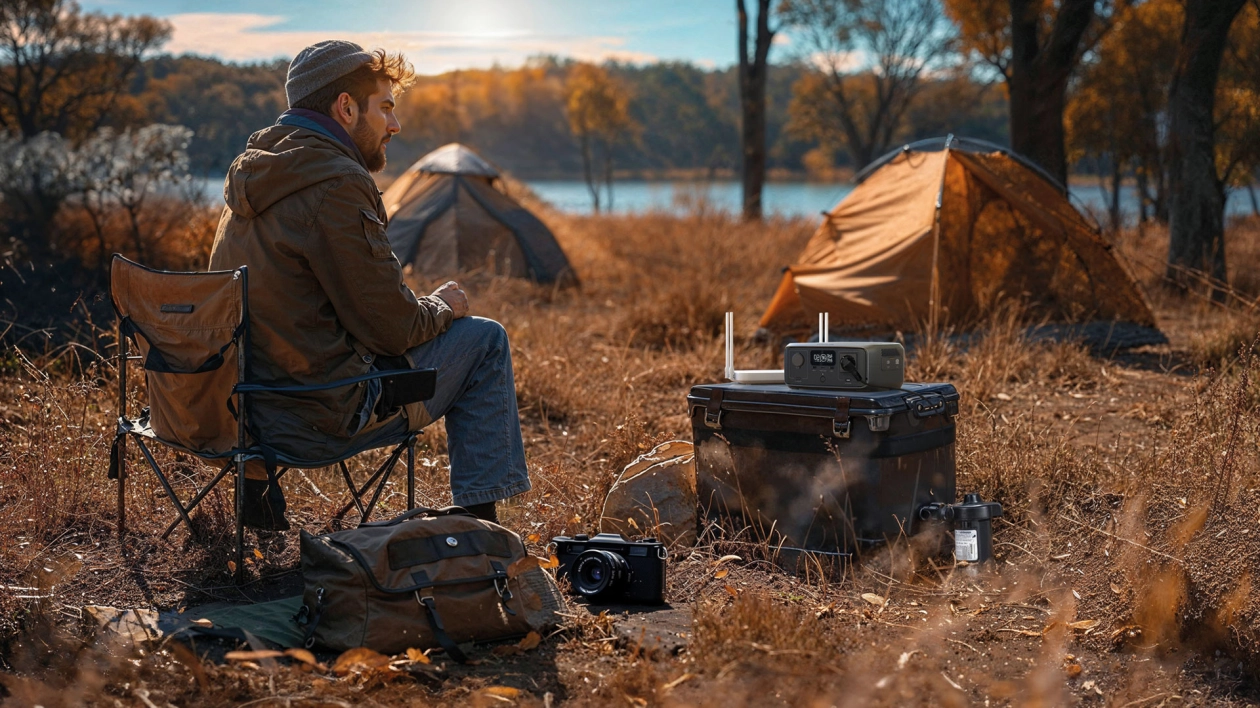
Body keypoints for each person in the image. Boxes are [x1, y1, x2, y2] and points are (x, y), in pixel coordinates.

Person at [208, 41, 530, 529]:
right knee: (485, 340)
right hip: (315, 418)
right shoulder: (336, 183)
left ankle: (255, 493)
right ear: (345, 107)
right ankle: (480, 530)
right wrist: (442, 306)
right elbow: (393, 330)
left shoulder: (253, 172)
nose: (395, 126)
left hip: (235, 410)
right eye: (386, 107)